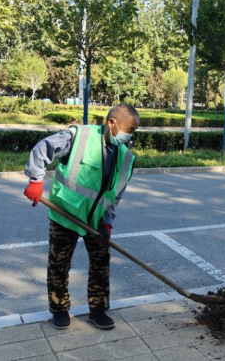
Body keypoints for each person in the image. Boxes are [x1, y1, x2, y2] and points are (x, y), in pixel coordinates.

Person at [23, 104, 139, 331]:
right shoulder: (78, 137)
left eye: (134, 131)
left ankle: (98, 310)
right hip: (64, 214)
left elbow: (114, 197)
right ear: (112, 123)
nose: (130, 135)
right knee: (59, 264)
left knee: (101, 264)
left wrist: (107, 223)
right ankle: (59, 310)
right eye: (129, 129)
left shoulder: (125, 158)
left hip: (95, 221)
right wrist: (36, 180)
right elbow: (42, 149)